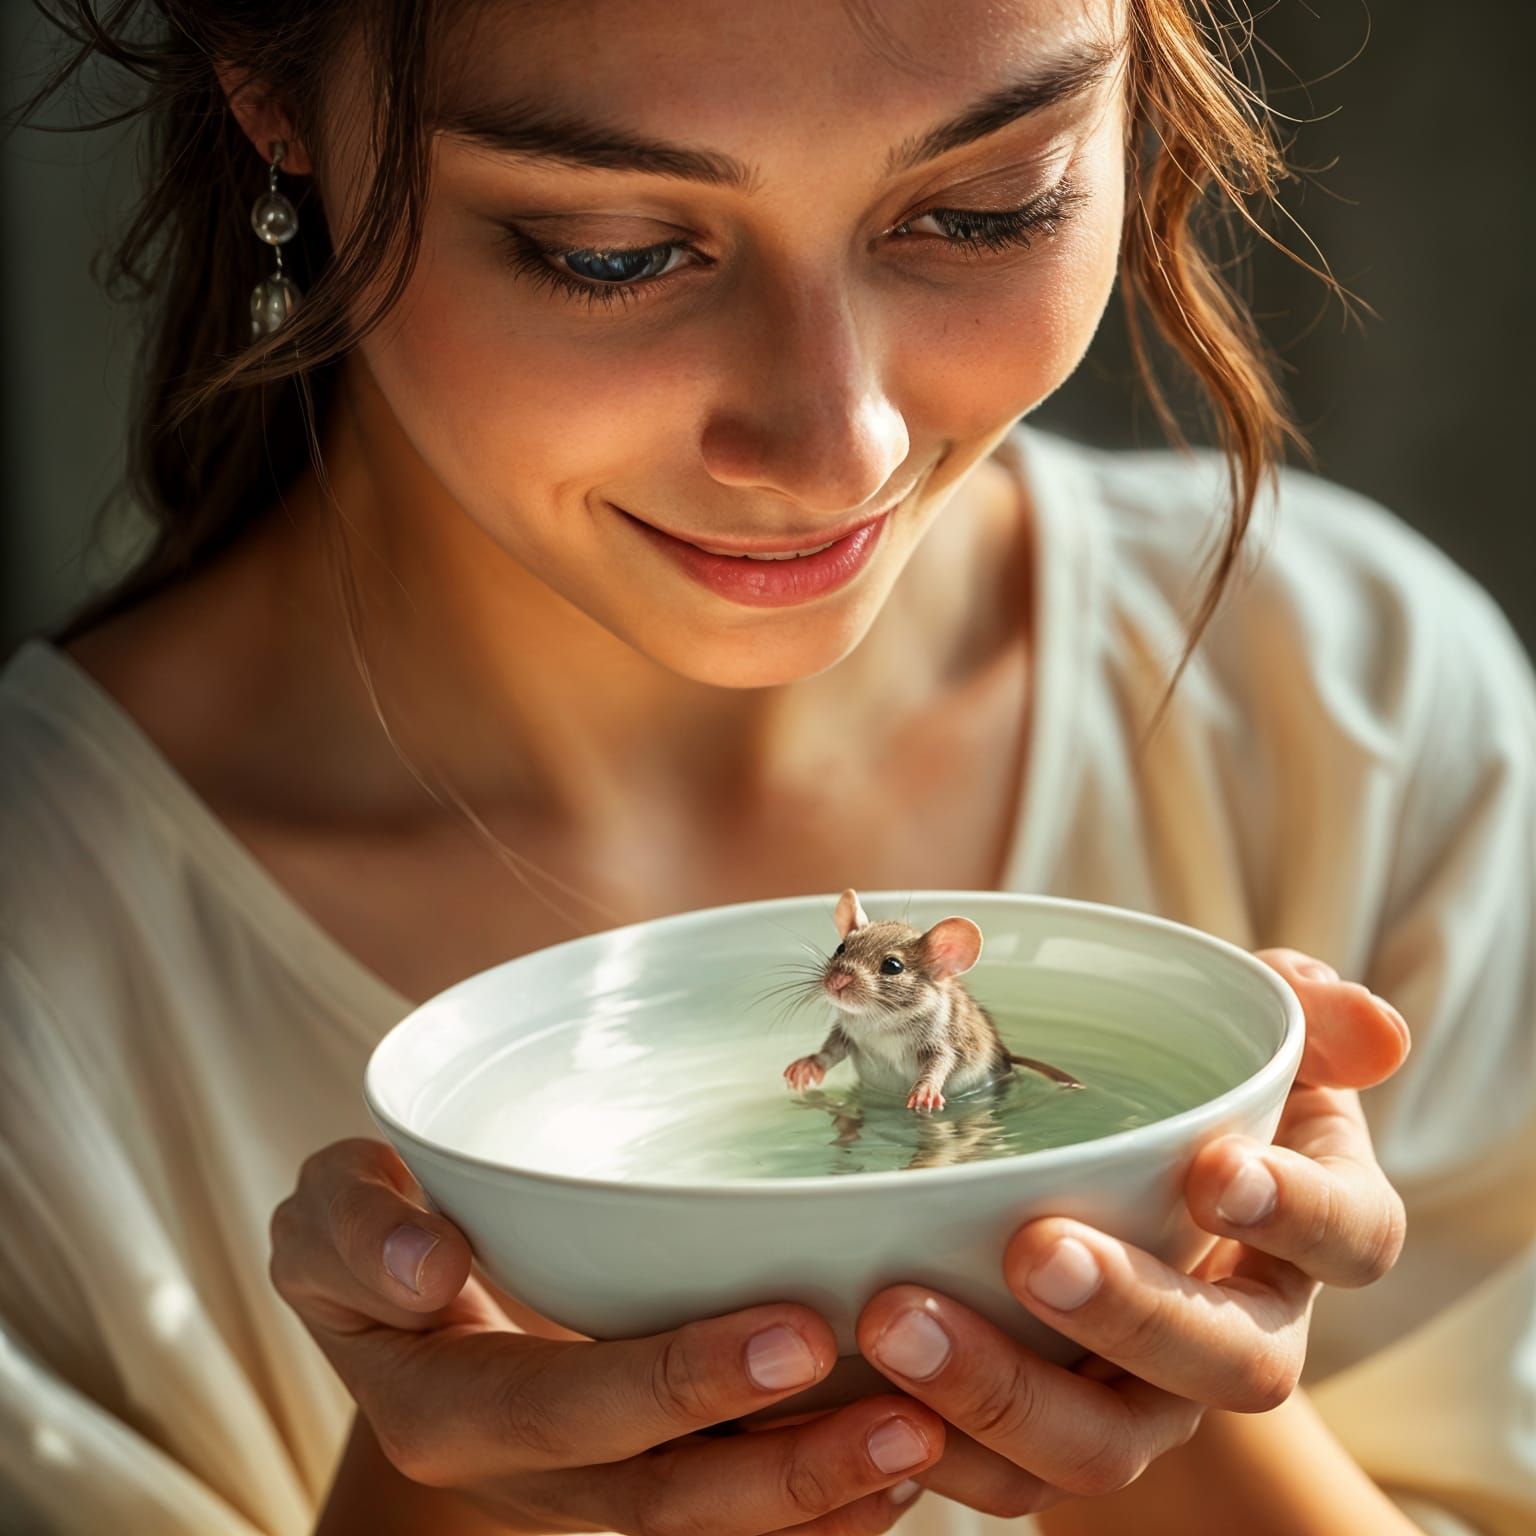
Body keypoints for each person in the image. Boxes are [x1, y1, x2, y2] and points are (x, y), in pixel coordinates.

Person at [1, 0, 1532, 1533]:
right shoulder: (45, 979)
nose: (834, 444)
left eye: (987, 210)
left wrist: (1151, 1357)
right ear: (275, 100)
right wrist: (463, 1494)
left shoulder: (1353, 714)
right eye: (610, 248)